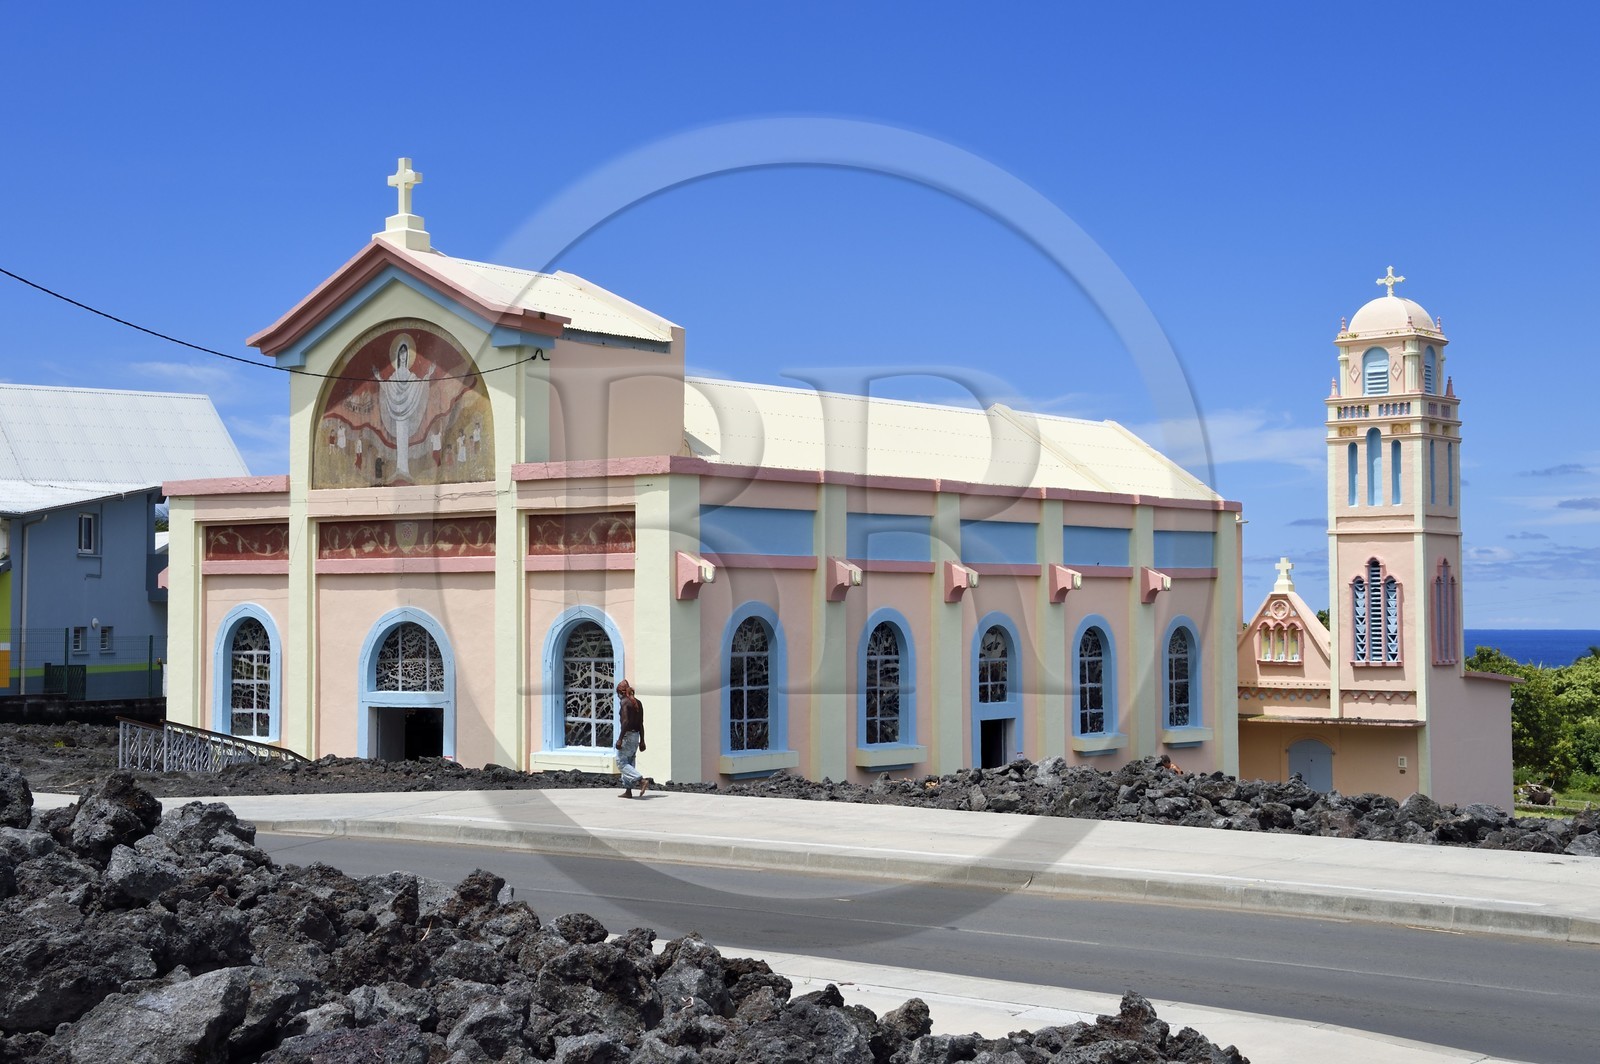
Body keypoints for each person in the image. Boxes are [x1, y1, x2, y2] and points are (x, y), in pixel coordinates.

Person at [615, 679, 648, 798]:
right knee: (630, 762)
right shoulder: (638, 703)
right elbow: (641, 723)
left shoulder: (625, 702)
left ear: (621, 692)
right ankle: (628, 791)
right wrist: (642, 741)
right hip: (636, 736)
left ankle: (641, 781)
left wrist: (620, 739)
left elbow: (625, 721)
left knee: (621, 762)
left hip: (627, 736)